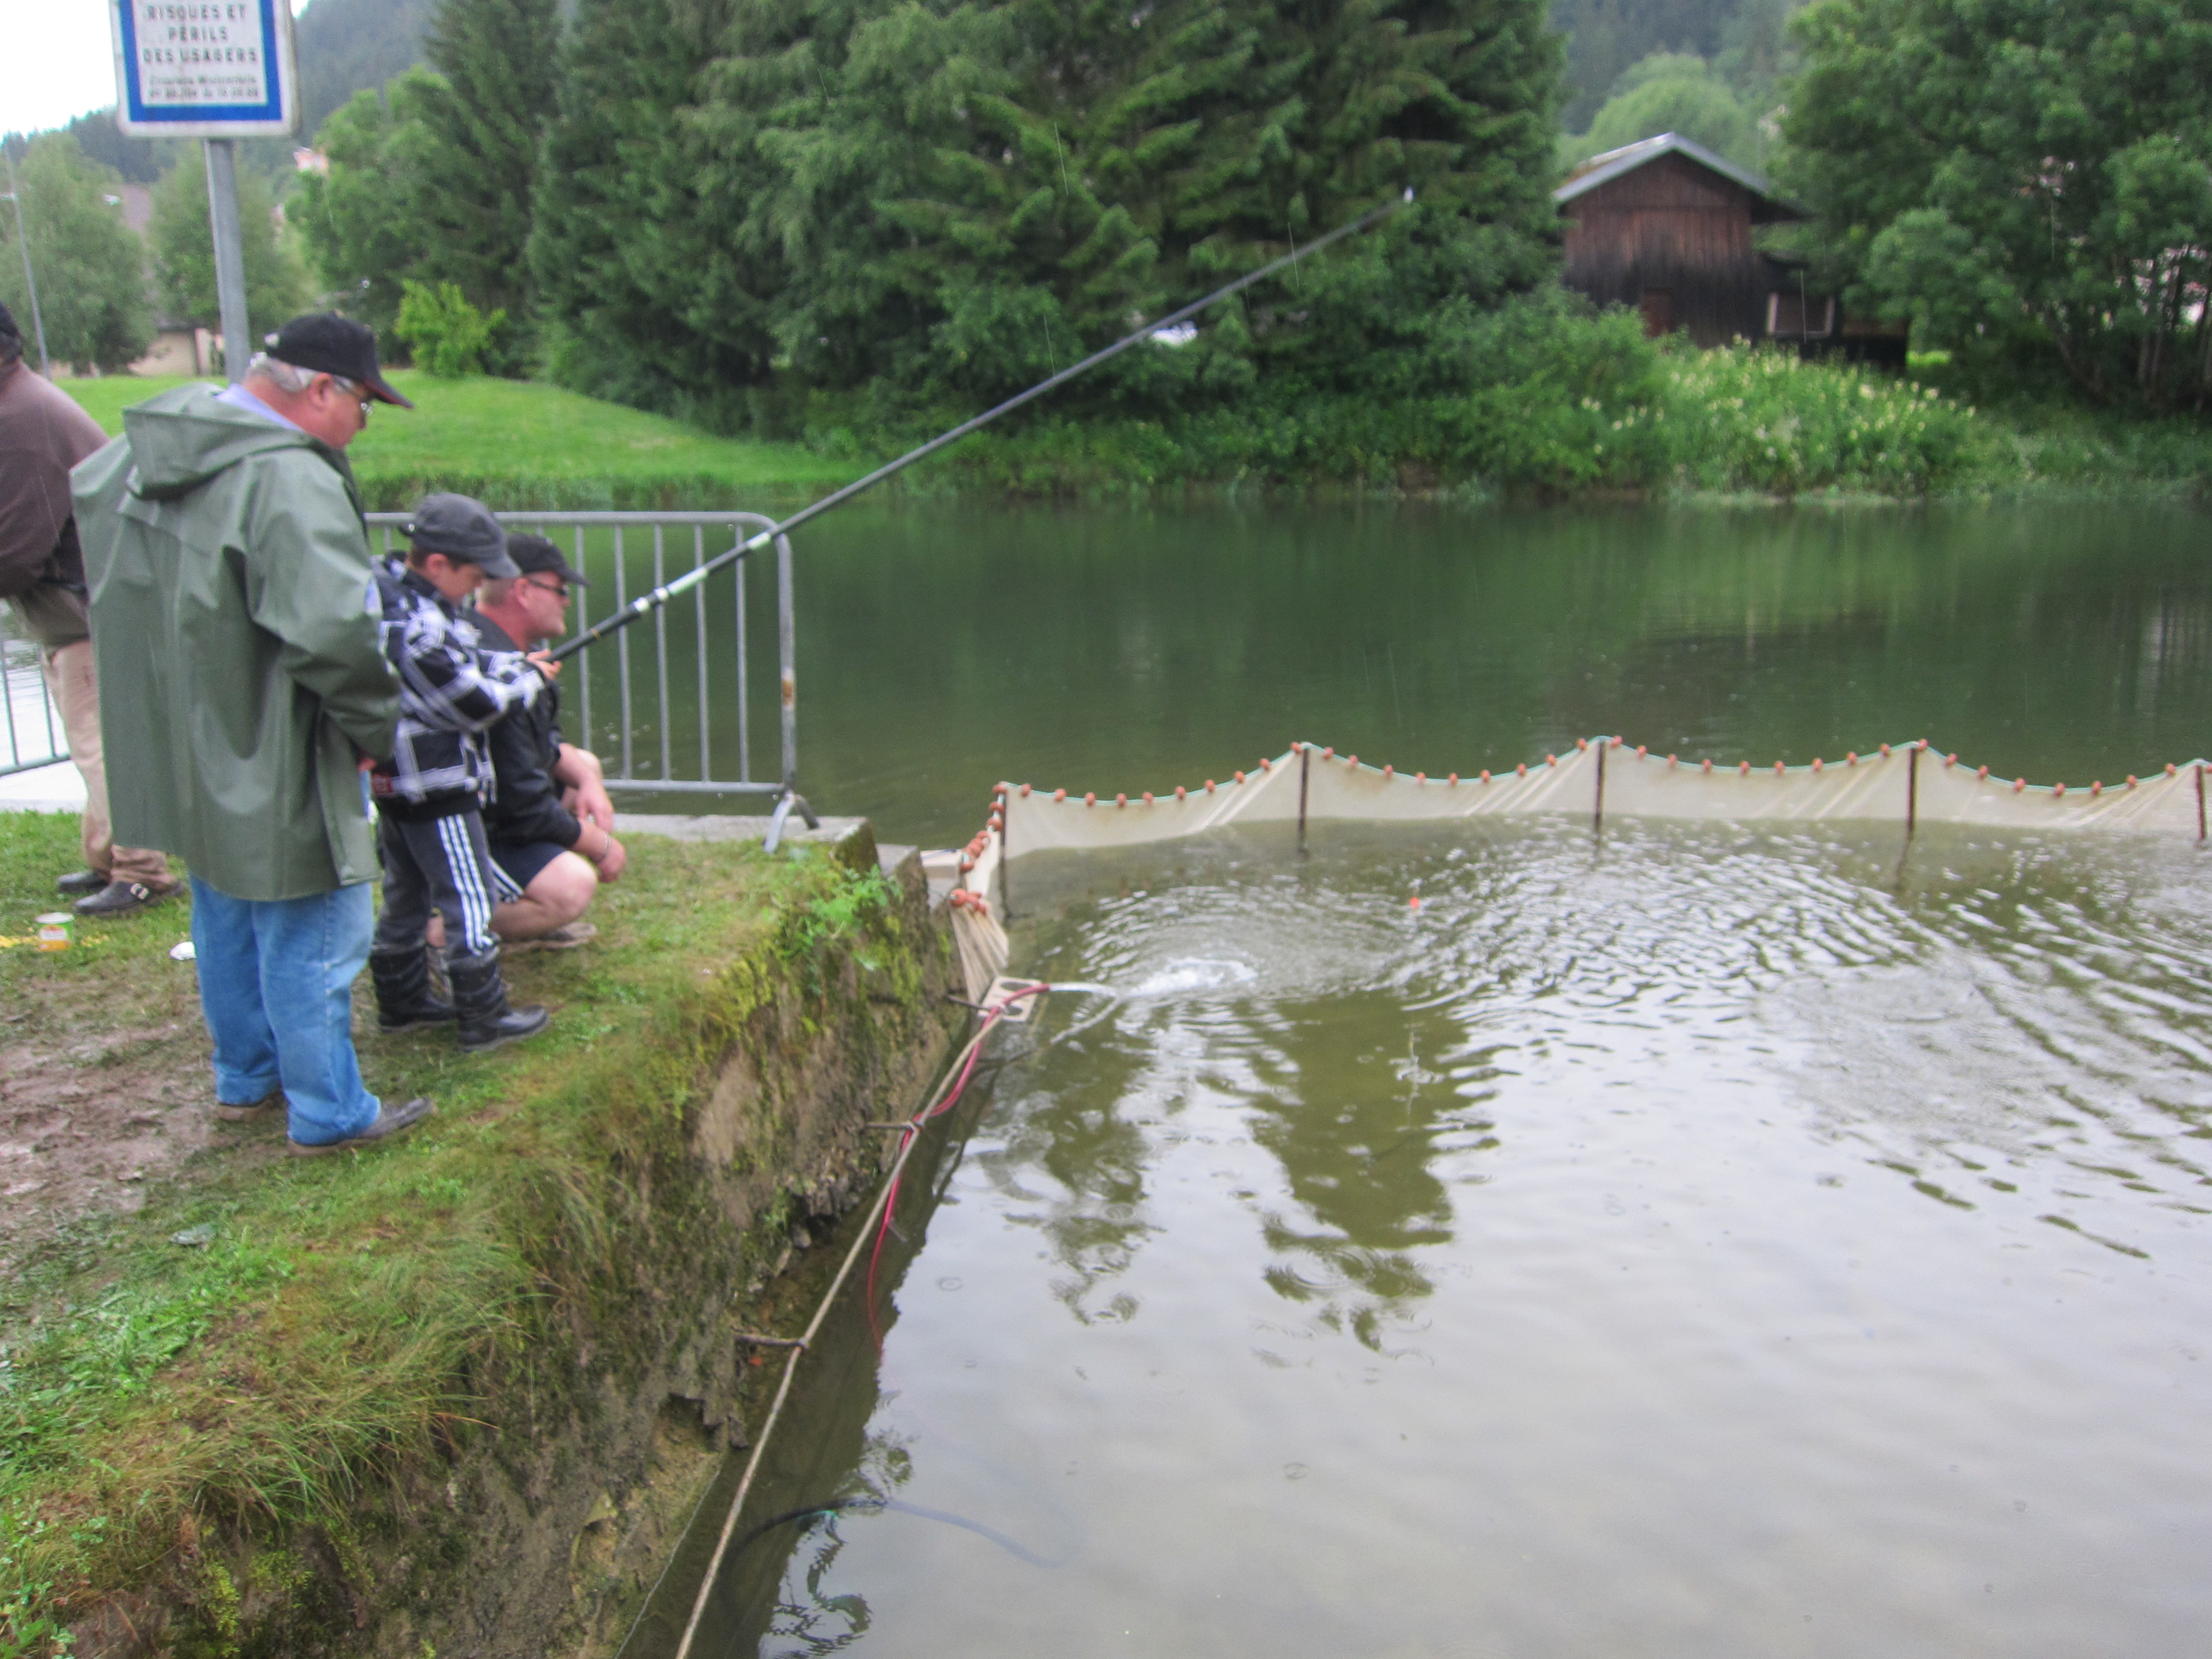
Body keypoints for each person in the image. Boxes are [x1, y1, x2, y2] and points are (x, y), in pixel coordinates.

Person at [72, 313, 433, 1156]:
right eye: (365, 404)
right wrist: (373, 726)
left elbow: (93, 523)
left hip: (188, 730)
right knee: (313, 917)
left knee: (226, 904)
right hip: (278, 732)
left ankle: (246, 1077)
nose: (363, 425)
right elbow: (335, 633)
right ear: (322, 390)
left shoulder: (157, 443)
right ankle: (329, 1112)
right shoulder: (288, 477)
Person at [0, 299, 177, 916]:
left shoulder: (20, 419)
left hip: (91, 606)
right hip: (87, 604)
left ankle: (142, 871)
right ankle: (107, 857)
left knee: (104, 747)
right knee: (95, 741)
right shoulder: (19, 403)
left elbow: (17, 550)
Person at [366, 493, 555, 1053]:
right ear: (438, 564)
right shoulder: (420, 628)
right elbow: (475, 704)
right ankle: (484, 1016)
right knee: (469, 897)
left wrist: (512, 663)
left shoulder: (399, 600)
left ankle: (402, 1002)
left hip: (395, 783)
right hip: (437, 784)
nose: (477, 590)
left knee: (406, 892)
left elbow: (464, 657)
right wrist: (529, 681)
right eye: (474, 577)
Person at [471, 533, 626, 948]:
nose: (567, 602)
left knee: (584, 766)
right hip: (465, 834)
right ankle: (434, 938)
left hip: (496, 817)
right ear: (523, 591)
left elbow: (545, 742)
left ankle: (522, 899)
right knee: (572, 888)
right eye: (560, 590)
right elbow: (525, 806)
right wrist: (600, 844)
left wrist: (589, 781)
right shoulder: (496, 672)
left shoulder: (520, 656)